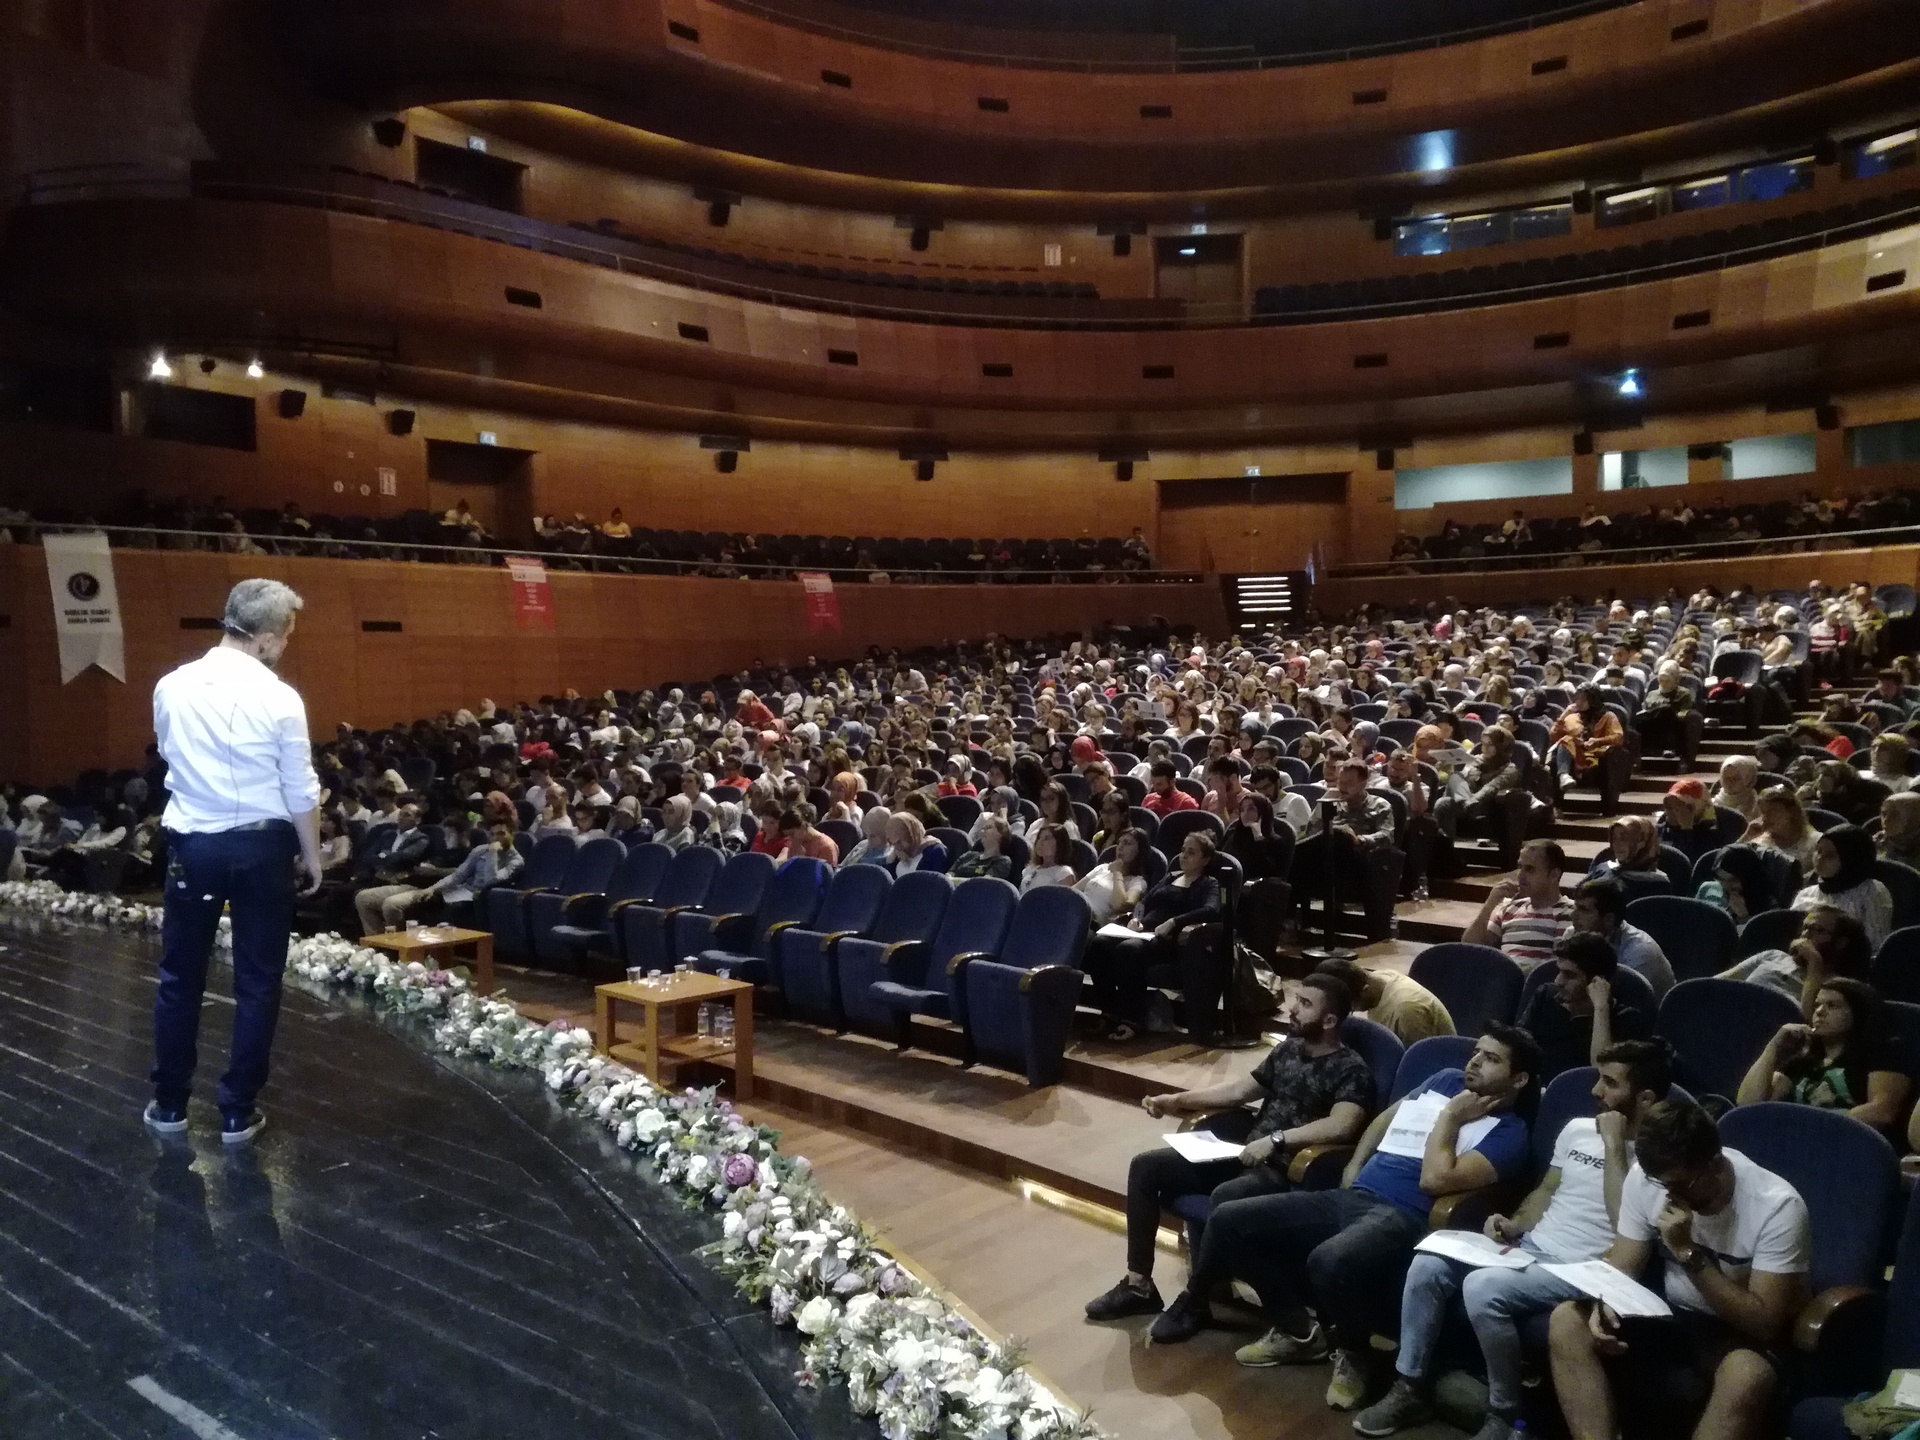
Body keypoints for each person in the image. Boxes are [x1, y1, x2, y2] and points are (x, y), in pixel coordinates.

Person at [1150, 1026, 1540, 1417]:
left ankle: (1355, 1354)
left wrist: (1451, 1118)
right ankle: (1299, 1331)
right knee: (1228, 1220)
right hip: (1353, 1194)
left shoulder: (1511, 1134)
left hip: (1405, 1214)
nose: (1475, 1062)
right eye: (1477, 1052)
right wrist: (1355, 1164)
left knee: (1329, 1260)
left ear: (1519, 1079)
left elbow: (1434, 1181)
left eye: (1491, 1059)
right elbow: (1386, 1119)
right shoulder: (1446, 1080)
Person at [1356, 1040, 1674, 1440]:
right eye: (1598, 1079)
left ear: (1645, 1099)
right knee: (1428, 1264)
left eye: (1610, 1083)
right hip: (1533, 1249)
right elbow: (1547, 1190)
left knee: (1483, 1287)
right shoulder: (1577, 1129)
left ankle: (1505, 1414)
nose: (1596, 1091)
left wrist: (1614, 1146)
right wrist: (1516, 1223)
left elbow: (1624, 1220)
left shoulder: (1659, 1158)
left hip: (1586, 1267)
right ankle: (1410, 1387)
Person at [146, 579, 325, 1144]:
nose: (285, 648)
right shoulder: (281, 698)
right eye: (286, 637)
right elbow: (300, 787)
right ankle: (235, 1112)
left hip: (194, 846)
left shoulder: (171, 685)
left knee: (180, 978)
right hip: (261, 849)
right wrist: (313, 854)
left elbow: (168, 755)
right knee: (258, 981)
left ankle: (169, 1105)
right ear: (266, 638)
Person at [1084, 975, 1373, 1321]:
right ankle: (1138, 1286)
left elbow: (1343, 1125)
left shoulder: (1351, 1069)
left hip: (1286, 1171)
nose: (1293, 1009)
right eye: (1297, 999)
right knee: (1147, 1166)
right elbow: (1238, 1092)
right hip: (1245, 1154)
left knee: (1225, 1195)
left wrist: (1277, 1140)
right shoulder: (1287, 1050)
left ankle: (1198, 1298)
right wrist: (1176, 1100)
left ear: (1329, 1021)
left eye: (1305, 1004)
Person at [1547, 1098, 1810, 1440]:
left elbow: (1764, 1324)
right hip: (1670, 1313)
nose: (1670, 1195)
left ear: (1715, 1165)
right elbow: (1623, 1266)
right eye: (1661, 1184)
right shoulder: (1648, 1179)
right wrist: (1605, 1303)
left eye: (1680, 1184)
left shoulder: (1777, 1207)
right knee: (1568, 1321)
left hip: (1734, 1331)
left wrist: (1687, 1252)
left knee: (1746, 1375)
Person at [1083, 830, 1221, 1042]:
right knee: (1099, 944)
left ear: (1205, 859)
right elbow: (1144, 902)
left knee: (1128, 950)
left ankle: (1131, 1020)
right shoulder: (1171, 877)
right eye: (1183, 850)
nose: (1183, 855)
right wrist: (1136, 918)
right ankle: (1108, 1011)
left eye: (1191, 852)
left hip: (1171, 940)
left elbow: (1211, 910)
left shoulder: (1208, 883)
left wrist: (1175, 922)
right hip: (1143, 932)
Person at [1738, 974, 1912, 1132]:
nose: (1820, 1012)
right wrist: (1773, 1047)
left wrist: (1807, 1124)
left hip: (1849, 1142)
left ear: (1858, 1013)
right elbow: (1748, 1104)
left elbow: (1882, 1113)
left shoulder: (1883, 1052)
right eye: (1817, 1005)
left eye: (1832, 1005)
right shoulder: (1802, 1060)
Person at [1520, 932, 1655, 1081]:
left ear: (1598, 981)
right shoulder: (1545, 996)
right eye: (1559, 971)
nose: (1558, 981)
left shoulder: (1627, 1020)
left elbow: (1601, 1072)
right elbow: (1518, 1047)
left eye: (1570, 975)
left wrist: (1601, 1009)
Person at [1719, 904, 1871, 1012]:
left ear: (1840, 943)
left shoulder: (1838, 986)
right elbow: (1716, 984)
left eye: (1818, 930)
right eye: (1805, 928)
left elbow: (1810, 1020)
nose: (1805, 935)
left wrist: (1814, 962)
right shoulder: (1772, 955)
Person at [1463, 839, 1572, 971]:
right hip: (1503, 979)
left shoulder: (1569, 912)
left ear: (1554, 875)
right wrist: (1490, 904)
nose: (1520, 875)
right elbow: (1469, 946)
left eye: (1529, 869)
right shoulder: (1510, 908)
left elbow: (1556, 968)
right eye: (1520, 867)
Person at [1789, 824, 1893, 950]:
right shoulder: (1805, 894)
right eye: (1818, 851)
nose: (1819, 858)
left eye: (1830, 855)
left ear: (1849, 859)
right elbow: (1791, 938)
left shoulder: (1872, 892)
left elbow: (1875, 945)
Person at [1571, 875, 1676, 997]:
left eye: (1583, 910)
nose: (1573, 915)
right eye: (1575, 906)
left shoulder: (1639, 953)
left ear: (1609, 919)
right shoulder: (1573, 933)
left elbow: (1623, 1002)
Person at [1313, 957, 1455, 1045]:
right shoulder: (1378, 979)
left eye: (1351, 1008)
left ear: (1365, 990)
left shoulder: (1406, 1010)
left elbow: (1420, 1063)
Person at [1546, 686, 1624, 794]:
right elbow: (1553, 737)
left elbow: (1618, 737)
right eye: (1577, 699)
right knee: (1566, 739)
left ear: (1593, 700)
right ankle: (1564, 776)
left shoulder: (1608, 717)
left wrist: (1597, 741)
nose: (1578, 702)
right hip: (1575, 756)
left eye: (1583, 699)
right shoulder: (1572, 717)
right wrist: (1564, 715)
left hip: (1597, 756)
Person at [1742, 786, 1819, 878]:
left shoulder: (1816, 843)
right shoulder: (1759, 843)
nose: (1765, 818)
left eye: (1772, 811)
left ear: (1791, 811)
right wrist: (1746, 837)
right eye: (1763, 812)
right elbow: (1730, 864)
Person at [1075, 829, 1149, 924]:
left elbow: (1120, 905)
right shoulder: (1102, 868)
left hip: (1093, 922)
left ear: (1139, 851)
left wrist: (1117, 872)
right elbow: (1074, 890)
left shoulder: (1137, 882)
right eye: (1119, 843)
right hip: (1076, 911)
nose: (1120, 847)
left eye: (1127, 843)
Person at [1223, 791, 1291, 883]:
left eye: (1251, 809)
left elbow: (1269, 874)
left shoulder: (1276, 842)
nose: (1245, 813)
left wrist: (1258, 838)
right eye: (1242, 809)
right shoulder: (1233, 836)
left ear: (1263, 812)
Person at [1657, 778, 1722, 868]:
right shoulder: (1659, 830)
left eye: (1683, 806)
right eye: (1668, 805)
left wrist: (1687, 830)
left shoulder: (1709, 835)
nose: (1673, 811)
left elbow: (1686, 866)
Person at [950, 813, 1015, 880]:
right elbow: (949, 874)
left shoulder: (1002, 861)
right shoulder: (968, 855)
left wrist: (955, 880)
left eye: (988, 827)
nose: (982, 831)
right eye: (983, 828)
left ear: (1001, 833)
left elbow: (984, 883)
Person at [1021, 822, 1077, 891]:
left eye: (1046, 838)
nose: (1040, 842)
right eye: (1039, 838)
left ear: (1060, 843)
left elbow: (1065, 897)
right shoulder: (1029, 870)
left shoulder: (1064, 872)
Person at [1711, 756, 1762, 822]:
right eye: (1726, 778)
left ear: (1748, 779)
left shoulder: (1757, 805)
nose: (1730, 782)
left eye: (1736, 778)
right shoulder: (1713, 803)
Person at [1879, 791, 1920, 870]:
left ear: (1916, 818)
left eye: (1895, 815)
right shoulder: (1877, 846)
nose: (1886, 820)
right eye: (1884, 814)